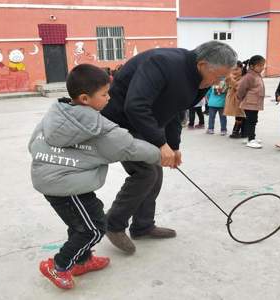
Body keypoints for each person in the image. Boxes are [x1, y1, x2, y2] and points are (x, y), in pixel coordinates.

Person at [28, 64, 161, 289]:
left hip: (58, 181)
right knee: (94, 229)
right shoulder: (96, 126)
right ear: (85, 98)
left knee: (80, 223)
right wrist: (161, 154)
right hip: (65, 185)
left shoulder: (57, 114)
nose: (109, 98)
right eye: (104, 94)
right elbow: (128, 147)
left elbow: (33, 144)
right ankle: (58, 265)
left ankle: (82, 260)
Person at [101, 41, 237, 254]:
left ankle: (143, 225)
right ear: (202, 64)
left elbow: (176, 110)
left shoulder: (200, 82)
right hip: (120, 122)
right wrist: (160, 142)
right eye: (219, 76)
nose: (220, 82)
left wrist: (173, 146)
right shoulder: (163, 63)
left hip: (145, 123)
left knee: (156, 173)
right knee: (145, 173)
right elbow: (135, 105)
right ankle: (113, 224)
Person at [237, 55, 266, 149]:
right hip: (250, 103)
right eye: (260, 65)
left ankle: (249, 137)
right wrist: (240, 98)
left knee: (252, 120)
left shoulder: (256, 75)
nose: (262, 67)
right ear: (252, 66)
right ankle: (251, 139)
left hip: (254, 103)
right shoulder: (249, 76)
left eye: (263, 65)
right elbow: (241, 89)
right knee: (251, 121)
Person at [224, 61, 246, 138]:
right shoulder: (232, 77)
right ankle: (239, 131)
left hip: (241, 99)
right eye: (232, 70)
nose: (234, 72)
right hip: (234, 99)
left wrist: (230, 79)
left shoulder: (244, 78)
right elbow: (227, 85)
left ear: (242, 68)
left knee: (241, 115)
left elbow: (238, 86)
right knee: (239, 115)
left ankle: (237, 131)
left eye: (236, 69)